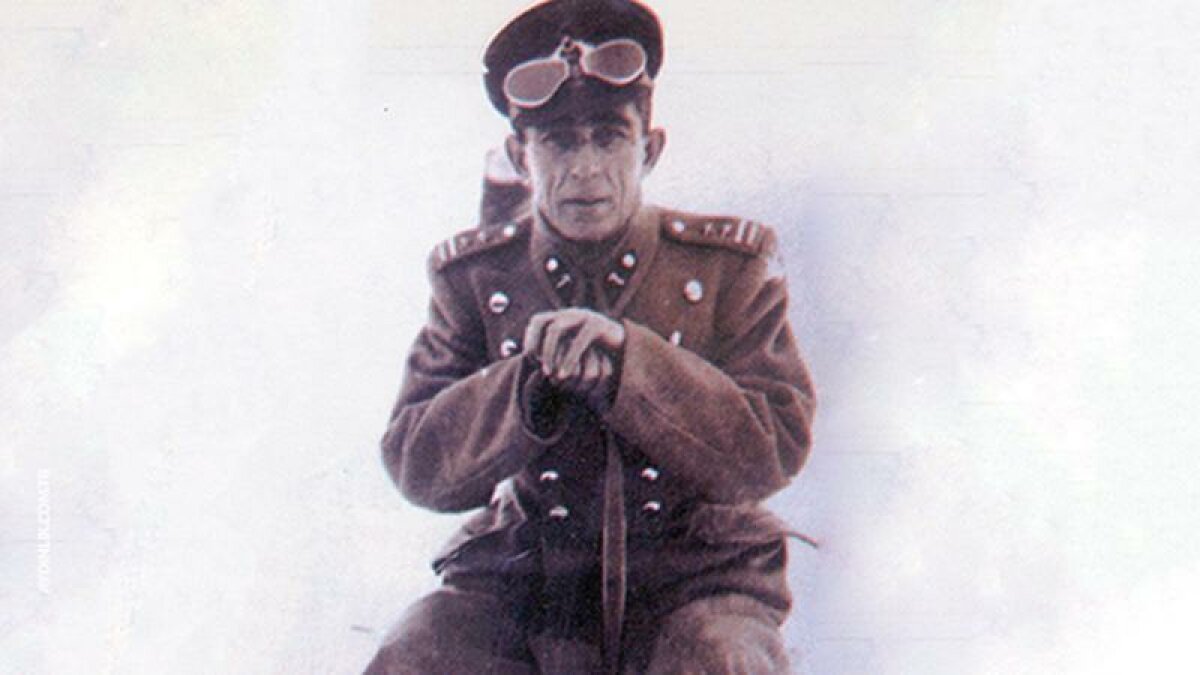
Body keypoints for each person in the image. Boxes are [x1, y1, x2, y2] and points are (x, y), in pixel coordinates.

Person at [365, 1, 816, 672]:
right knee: (416, 654)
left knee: (723, 660)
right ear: (520, 156)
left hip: (694, 580)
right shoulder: (476, 279)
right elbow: (415, 462)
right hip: (530, 583)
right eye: (557, 141)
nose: (584, 168)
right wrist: (524, 386)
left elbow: (772, 449)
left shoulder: (728, 270)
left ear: (649, 149)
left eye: (609, 137)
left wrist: (631, 364)